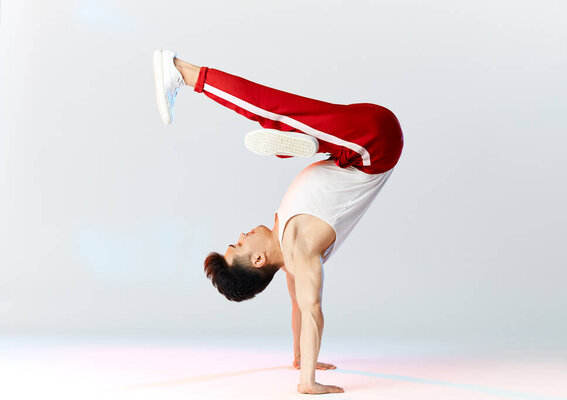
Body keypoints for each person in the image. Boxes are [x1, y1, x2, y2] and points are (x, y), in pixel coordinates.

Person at [153, 50, 404, 395]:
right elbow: (311, 308)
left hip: (346, 153)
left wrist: (301, 358)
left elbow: (297, 310)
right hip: (371, 145)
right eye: (239, 244)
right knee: (272, 110)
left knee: (285, 121)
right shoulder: (300, 253)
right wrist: (308, 381)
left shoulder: (288, 262)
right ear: (257, 260)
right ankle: (183, 72)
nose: (241, 234)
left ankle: (302, 143)